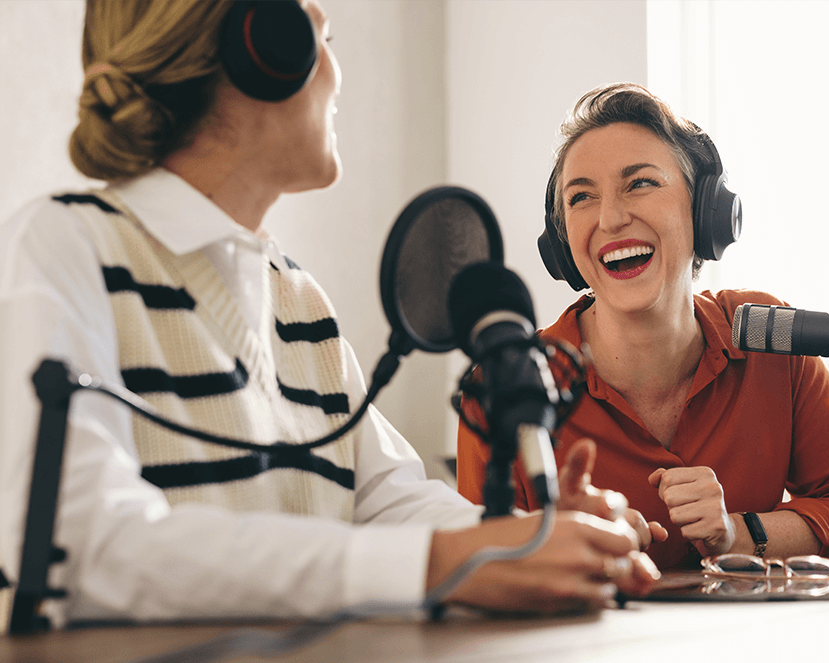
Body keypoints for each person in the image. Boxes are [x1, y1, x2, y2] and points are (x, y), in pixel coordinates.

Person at [0, 1, 660, 628]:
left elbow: (387, 502)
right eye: (322, 38)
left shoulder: (298, 299)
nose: (337, 77)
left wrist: (526, 537)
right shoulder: (67, 244)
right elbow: (74, 542)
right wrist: (442, 565)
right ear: (262, 46)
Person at [457, 83, 829, 571]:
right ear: (562, 245)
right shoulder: (503, 381)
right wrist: (559, 543)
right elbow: (478, 564)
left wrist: (739, 532)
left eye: (640, 183)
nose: (611, 218)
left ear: (705, 212)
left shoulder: (767, 336)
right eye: (581, 197)